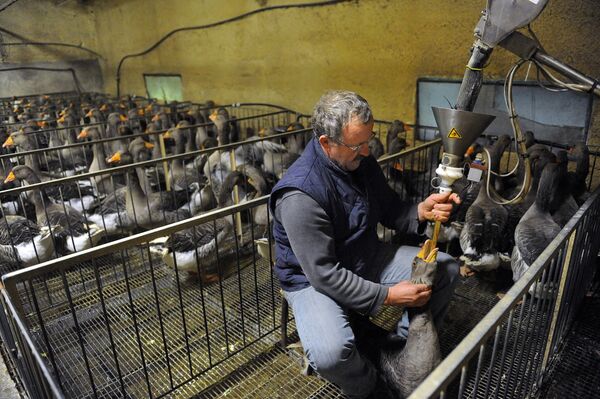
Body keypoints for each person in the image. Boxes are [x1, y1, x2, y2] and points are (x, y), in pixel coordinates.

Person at [269, 90, 460, 398]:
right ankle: (373, 386)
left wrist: (420, 211)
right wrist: (388, 295)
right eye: (357, 144)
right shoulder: (299, 195)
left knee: (447, 269)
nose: (367, 151)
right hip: (312, 280)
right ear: (326, 143)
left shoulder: (360, 162)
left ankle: (398, 350)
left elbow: (391, 210)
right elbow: (324, 274)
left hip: (362, 255)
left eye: (368, 140)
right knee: (331, 353)